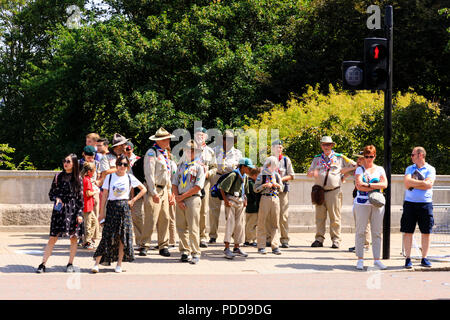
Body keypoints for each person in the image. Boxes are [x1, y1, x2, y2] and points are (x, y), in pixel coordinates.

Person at [92, 155, 147, 273]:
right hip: (112, 207)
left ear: (127, 167)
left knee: (123, 237)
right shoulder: (110, 177)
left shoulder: (129, 177)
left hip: (124, 208)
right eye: (120, 164)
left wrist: (133, 200)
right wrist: (102, 212)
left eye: (125, 164)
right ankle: (97, 263)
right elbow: (105, 195)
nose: (122, 166)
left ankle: (119, 264)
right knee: (107, 235)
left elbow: (143, 189)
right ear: (116, 165)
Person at [36, 154, 84, 273]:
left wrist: (79, 214)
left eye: (68, 161)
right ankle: (43, 264)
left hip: (72, 211)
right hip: (59, 211)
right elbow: (51, 193)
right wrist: (56, 198)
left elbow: (80, 199)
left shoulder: (78, 178)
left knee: (73, 238)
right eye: (64, 161)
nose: (65, 163)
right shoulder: (58, 176)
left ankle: (70, 263)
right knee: (53, 237)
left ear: (74, 164)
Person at [307, 136, 356, 249]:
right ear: (321, 146)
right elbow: (309, 172)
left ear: (332, 146)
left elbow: (355, 166)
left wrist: (344, 175)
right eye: (324, 144)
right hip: (319, 191)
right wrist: (312, 173)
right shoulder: (317, 159)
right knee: (319, 217)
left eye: (328, 145)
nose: (326, 147)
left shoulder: (340, 157)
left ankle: (336, 240)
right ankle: (319, 239)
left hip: (334, 191)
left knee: (335, 217)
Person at [141, 128, 175, 257]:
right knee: (151, 217)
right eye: (166, 139)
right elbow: (149, 174)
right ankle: (145, 244)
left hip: (164, 188)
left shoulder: (164, 153)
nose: (168, 141)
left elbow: (167, 174)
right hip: (154, 188)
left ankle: (163, 245)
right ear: (160, 140)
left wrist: (170, 191)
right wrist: (153, 192)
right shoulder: (152, 153)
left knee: (165, 217)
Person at [353, 145, 388, 270]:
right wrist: (375, 186)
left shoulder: (379, 169)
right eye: (366, 156)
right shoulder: (359, 170)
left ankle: (377, 259)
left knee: (377, 232)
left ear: (375, 156)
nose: (369, 159)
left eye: (371, 156)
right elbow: (359, 186)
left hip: (377, 203)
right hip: (362, 203)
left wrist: (367, 184)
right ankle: (360, 259)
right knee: (360, 231)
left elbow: (385, 184)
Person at [171, 140, 206, 264]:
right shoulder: (180, 166)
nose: (189, 152)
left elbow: (198, 186)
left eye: (192, 150)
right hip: (180, 197)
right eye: (187, 150)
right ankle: (184, 251)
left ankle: (195, 252)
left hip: (192, 198)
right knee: (181, 226)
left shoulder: (199, 167)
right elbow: (174, 183)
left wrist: (182, 197)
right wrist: (177, 197)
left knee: (193, 227)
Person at [401, 146, 436, 269]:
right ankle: (408, 258)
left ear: (420, 155)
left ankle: (424, 258)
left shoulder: (430, 169)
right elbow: (406, 183)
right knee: (408, 231)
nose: (411, 157)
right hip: (410, 203)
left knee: (426, 232)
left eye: (413, 155)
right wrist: (422, 183)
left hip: (425, 204)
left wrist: (413, 183)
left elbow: (429, 185)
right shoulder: (409, 169)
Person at [209, 129, 242, 244]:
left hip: (229, 180)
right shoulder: (215, 151)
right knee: (214, 209)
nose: (227, 142)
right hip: (216, 178)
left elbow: (238, 168)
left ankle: (231, 235)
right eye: (225, 139)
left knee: (230, 209)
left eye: (230, 140)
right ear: (222, 140)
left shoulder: (237, 153)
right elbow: (210, 165)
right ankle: (212, 235)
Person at [218, 158, 254, 259]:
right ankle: (226, 248)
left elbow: (245, 190)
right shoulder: (233, 175)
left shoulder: (245, 177)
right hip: (231, 200)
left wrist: (245, 199)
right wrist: (225, 201)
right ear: (242, 167)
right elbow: (221, 187)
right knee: (230, 224)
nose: (250, 170)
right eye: (248, 168)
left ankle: (237, 247)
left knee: (240, 225)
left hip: (240, 201)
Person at [266, 140, 295, 248]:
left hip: (282, 191)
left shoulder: (286, 160)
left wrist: (279, 180)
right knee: (270, 215)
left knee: (283, 216)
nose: (278, 149)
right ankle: (269, 238)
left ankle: (284, 239)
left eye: (280, 147)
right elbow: (264, 173)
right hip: (270, 191)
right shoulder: (268, 160)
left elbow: (292, 175)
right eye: (276, 147)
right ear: (272, 149)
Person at [254, 156, 284, 255]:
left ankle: (275, 246)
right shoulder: (261, 175)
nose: (274, 167)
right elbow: (255, 188)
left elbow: (282, 188)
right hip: (265, 197)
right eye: (272, 165)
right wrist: (264, 186)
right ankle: (261, 246)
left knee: (275, 223)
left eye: (275, 165)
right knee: (262, 222)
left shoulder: (277, 175)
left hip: (275, 198)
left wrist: (277, 185)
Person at [193, 127, 217, 248]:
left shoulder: (210, 151)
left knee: (203, 211)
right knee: (192, 210)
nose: (200, 137)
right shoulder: (189, 149)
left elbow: (215, 167)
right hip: (191, 183)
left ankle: (202, 237)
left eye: (202, 135)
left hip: (205, 182)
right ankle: (192, 235)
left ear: (206, 137)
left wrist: (209, 173)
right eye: (197, 134)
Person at [346, 151, 370, 253]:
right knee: (359, 222)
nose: (358, 160)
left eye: (360, 158)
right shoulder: (358, 169)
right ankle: (359, 243)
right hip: (358, 198)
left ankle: (365, 244)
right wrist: (354, 167)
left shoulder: (369, 170)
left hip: (366, 198)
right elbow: (342, 171)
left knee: (365, 223)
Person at [80, 161, 99, 250]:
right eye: (93, 171)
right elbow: (88, 193)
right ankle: (87, 241)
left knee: (94, 222)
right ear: (89, 171)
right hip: (87, 205)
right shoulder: (86, 180)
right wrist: (95, 191)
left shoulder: (85, 178)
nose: (94, 173)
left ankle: (87, 239)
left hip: (89, 205)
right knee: (88, 224)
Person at [244, 167, 262, 247]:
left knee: (249, 224)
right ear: (255, 175)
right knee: (252, 225)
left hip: (249, 207)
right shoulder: (251, 184)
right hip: (253, 207)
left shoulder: (247, 182)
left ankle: (248, 239)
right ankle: (250, 240)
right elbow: (254, 195)